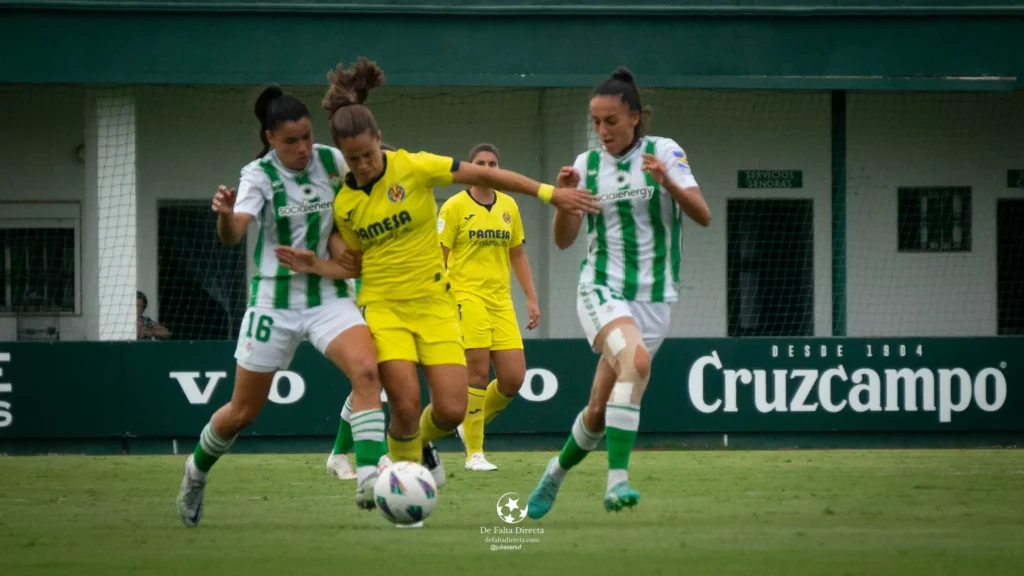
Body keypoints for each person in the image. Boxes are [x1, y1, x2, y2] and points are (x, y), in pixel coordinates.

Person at [276, 57, 599, 514]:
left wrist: (550, 193)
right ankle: (401, 499)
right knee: (405, 406)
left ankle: (421, 448)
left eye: (369, 154)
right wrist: (315, 265)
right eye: (354, 159)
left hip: (435, 304)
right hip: (384, 309)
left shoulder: (414, 167)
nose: (365, 165)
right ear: (341, 159)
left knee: (448, 411)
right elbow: (352, 267)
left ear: (380, 139)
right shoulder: (344, 201)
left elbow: (485, 175)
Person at [176, 86, 387, 527]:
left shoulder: (332, 160)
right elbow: (233, 234)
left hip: (328, 295)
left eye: (307, 137)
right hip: (274, 301)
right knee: (242, 413)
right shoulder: (257, 175)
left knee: (368, 371)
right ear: (270, 137)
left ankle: (370, 478)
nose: (303, 148)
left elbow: (376, 172)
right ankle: (196, 472)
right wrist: (224, 213)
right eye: (291, 140)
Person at [526, 67, 711, 518]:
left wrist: (668, 182)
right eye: (595, 122)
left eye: (610, 121)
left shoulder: (664, 152)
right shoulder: (587, 166)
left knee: (596, 413)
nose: (602, 131)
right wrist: (563, 199)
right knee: (638, 362)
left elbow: (703, 215)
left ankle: (554, 473)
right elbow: (564, 241)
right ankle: (617, 481)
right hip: (601, 287)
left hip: (654, 300)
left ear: (633, 117)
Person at [439, 143, 540, 471]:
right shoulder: (454, 206)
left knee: (513, 378)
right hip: (466, 296)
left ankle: (467, 422)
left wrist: (531, 297)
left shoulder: (509, 204)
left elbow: (518, 254)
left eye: (493, 163)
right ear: (470, 166)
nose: (487, 167)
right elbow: (440, 255)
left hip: (501, 301)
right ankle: (475, 453)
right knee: (478, 371)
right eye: (480, 162)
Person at [324, 141, 397, 481]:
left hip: (397, 301)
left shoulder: (399, 206)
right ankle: (367, 454)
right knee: (369, 378)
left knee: (374, 380)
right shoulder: (350, 206)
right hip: (363, 300)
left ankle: (345, 453)